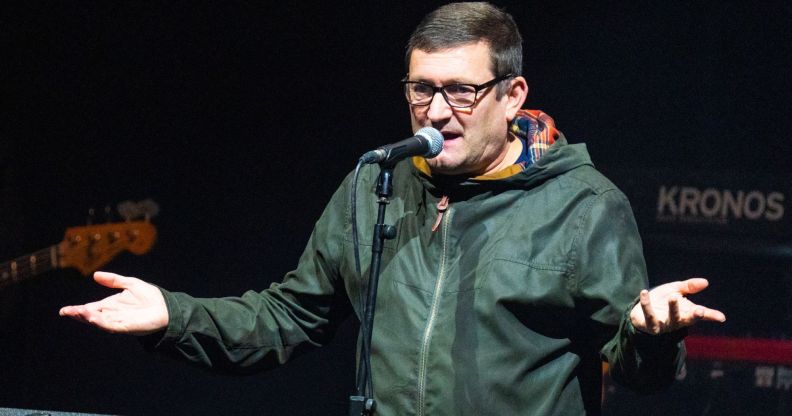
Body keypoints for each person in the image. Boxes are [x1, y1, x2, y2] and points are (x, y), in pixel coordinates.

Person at [60, 3, 725, 415]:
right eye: (421, 90)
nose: (437, 112)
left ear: (512, 93)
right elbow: (286, 319)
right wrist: (173, 316)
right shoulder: (374, 186)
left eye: (461, 91)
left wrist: (651, 336)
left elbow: (638, 375)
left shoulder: (583, 205)